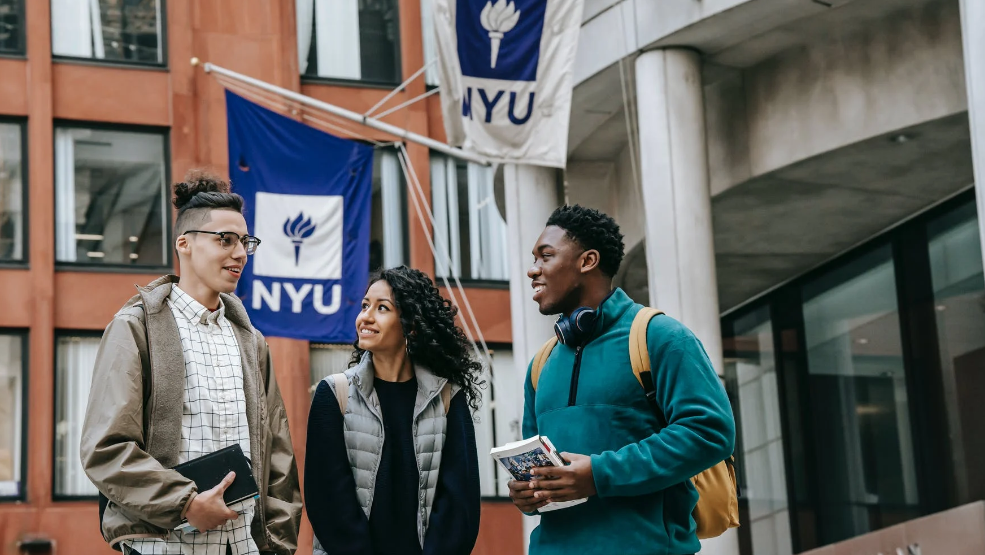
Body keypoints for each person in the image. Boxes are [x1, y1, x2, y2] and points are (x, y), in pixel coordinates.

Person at [81, 172, 302, 555]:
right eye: (225, 240)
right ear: (184, 243)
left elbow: (277, 453)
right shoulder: (136, 328)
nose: (240, 253)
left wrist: (278, 546)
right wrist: (185, 504)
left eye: (245, 242)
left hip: (244, 546)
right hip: (164, 544)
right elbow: (106, 447)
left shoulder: (251, 341)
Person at [510, 205, 736, 555]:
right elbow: (540, 470)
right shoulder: (541, 363)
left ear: (587, 261)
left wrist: (599, 474)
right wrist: (530, 493)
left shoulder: (660, 337)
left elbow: (710, 431)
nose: (532, 270)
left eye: (546, 256)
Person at [305, 266, 482, 555]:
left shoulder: (449, 399)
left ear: (411, 325)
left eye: (382, 308)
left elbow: (459, 506)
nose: (365, 317)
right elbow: (328, 501)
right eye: (365, 306)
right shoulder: (334, 394)